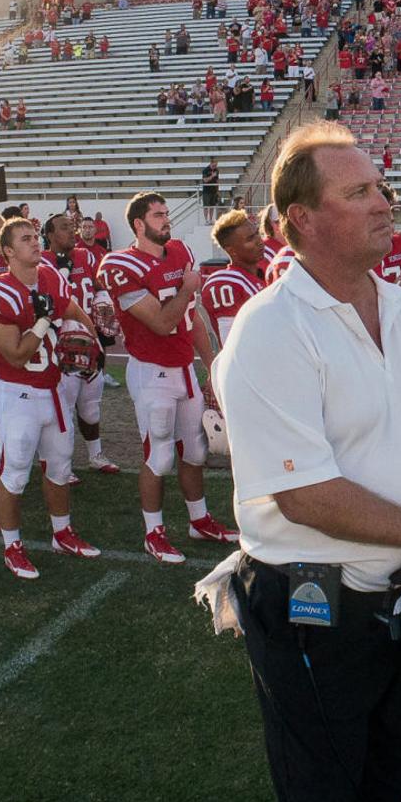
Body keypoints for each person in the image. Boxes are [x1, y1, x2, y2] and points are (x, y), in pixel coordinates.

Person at [211, 122, 401, 802]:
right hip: (316, 609)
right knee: (325, 792)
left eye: (381, 188)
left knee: (391, 773)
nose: (383, 203)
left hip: (400, 600)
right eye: (359, 191)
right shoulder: (272, 327)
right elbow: (303, 494)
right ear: (301, 220)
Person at [98, 192, 238, 562]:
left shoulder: (180, 253)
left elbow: (191, 318)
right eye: (158, 215)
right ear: (139, 225)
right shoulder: (121, 264)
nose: (166, 219)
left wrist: (211, 364)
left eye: (166, 213)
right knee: (158, 456)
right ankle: (154, 532)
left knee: (194, 452)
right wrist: (188, 288)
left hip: (184, 368)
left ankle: (199, 520)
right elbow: (161, 323)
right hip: (151, 371)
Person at [0, 217, 104, 578]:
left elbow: (67, 305)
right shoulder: (0, 292)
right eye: (24, 239)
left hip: (54, 390)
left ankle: (63, 533)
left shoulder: (51, 275)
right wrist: (43, 322)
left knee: (59, 468)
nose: (34, 243)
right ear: (8, 251)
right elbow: (15, 354)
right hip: (19, 394)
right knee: (14, 476)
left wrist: (92, 334)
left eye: (34, 237)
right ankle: (13, 545)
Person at [41, 212, 119, 473]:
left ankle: (95, 455)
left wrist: (103, 299)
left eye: (72, 227)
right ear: (50, 235)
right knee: (62, 410)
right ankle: (62, 464)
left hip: (90, 338)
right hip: (59, 344)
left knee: (91, 408)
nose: (71, 232)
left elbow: (97, 285)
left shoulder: (86, 256)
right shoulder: (41, 263)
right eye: (64, 228)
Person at [201, 211, 266, 347]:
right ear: (232, 250)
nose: (259, 241)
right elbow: (233, 346)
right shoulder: (227, 282)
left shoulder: (264, 274)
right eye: (250, 239)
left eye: (256, 234)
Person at [201, 159, 220, 224]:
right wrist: (212, 176)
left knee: (212, 206)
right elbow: (205, 180)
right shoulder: (205, 170)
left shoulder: (216, 170)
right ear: (211, 163)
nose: (215, 167)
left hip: (214, 190)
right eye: (214, 165)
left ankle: (210, 219)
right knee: (206, 206)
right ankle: (206, 220)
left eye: (216, 165)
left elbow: (217, 181)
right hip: (206, 191)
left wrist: (218, 190)